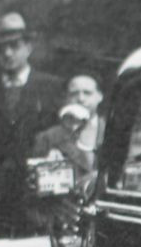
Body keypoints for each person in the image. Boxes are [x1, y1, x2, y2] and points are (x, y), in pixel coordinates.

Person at [0, 12, 64, 235]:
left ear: (29, 47)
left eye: (14, 46)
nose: (7, 53)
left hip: (37, 195)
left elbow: (60, 139)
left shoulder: (51, 87)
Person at [26, 74, 103, 231]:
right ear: (65, 98)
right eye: (74, 93)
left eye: (87, 93)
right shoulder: (48, 138)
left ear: (99, 97)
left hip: (106, 221)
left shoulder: (115, 132)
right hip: (66, 225)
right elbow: (32, 194)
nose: (80, 99)